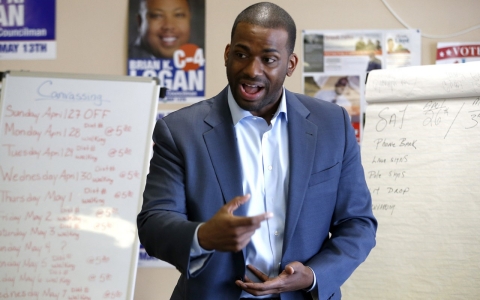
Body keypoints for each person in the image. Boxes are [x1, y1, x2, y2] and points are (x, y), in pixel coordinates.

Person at [137, 2, 377, 300]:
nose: (252, 70)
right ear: (227, 54)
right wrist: (204, 236)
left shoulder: (332, 125)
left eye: (269, 59)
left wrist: (314, 275)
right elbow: (154, 222)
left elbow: (358, 223)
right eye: (241, 55)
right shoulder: (180, 131)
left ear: (290, 64)